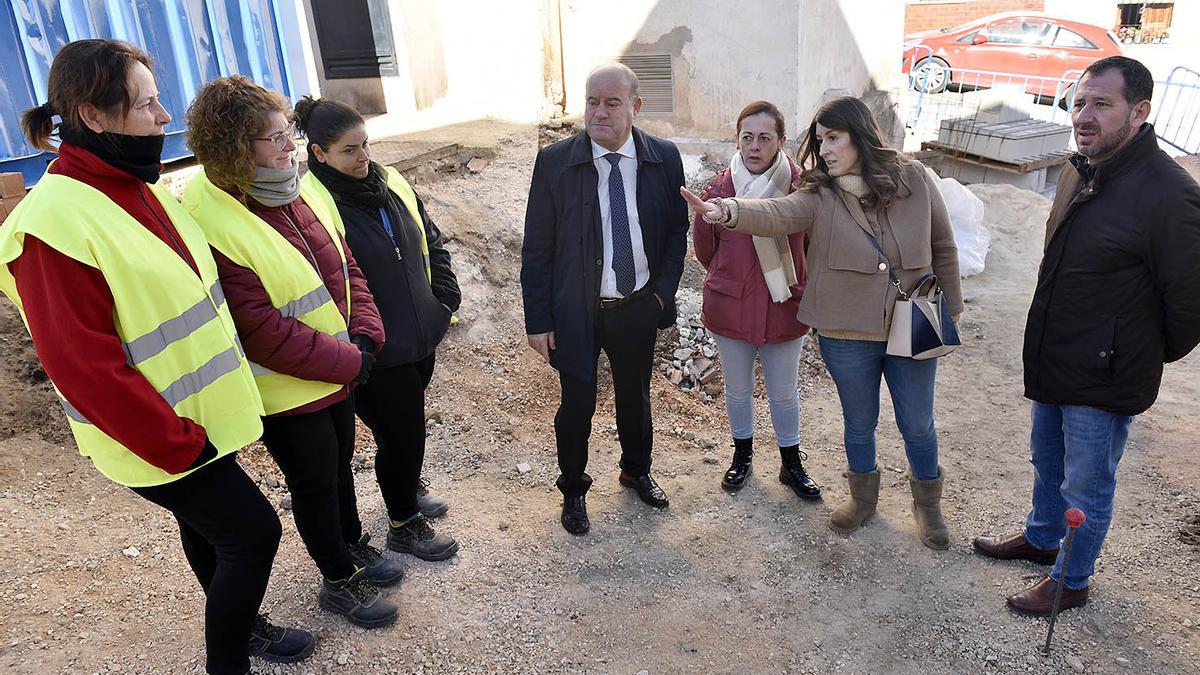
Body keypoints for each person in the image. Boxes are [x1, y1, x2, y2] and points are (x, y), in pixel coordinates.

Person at [0, 40, 313, 674]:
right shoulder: (51, 226)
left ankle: (244, 627)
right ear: (95, 116)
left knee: (214, 532)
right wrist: (175, 443)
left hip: (197, 419)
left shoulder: (138, 189)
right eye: (147, 105)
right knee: (253, 534)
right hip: (155, 437)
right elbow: (84, 369)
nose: (165, 117)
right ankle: (228, 663)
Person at [683, 96, 963, 550]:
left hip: (914, 319)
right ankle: (862, 499)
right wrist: (727, 212)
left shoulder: (914, 178)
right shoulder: (820, 192)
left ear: (860, 135)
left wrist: (951, 311)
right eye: (820, 140)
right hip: (846, 329)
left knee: (917, 422)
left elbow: (943, 246)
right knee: (859, 421)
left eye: (834, 138)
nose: (825, 149)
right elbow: (777, 213)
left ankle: (928, 506)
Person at [973, 56, 1200, 615]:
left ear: (1140, 111)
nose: (1084, 115)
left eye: (1102, 104)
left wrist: (1136, 350)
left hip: (1104, 371)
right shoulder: (1079, 171)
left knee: (1088, 484)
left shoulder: (1170, 194)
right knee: (1047, 462)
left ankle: (1072, 579)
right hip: (1056, 352)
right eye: (1079, 102)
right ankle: (1042, 536)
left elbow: (1191, 303)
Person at [183, 76, 401, 628]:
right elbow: (258, 327)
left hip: (340, 369)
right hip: (288, 388)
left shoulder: (293, 186)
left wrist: (366, 333)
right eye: (275, 138)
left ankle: (350, 544)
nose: (290, 147)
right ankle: (336, 578)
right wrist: (349, 359)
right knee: (314, 482)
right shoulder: (211, 219)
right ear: (236, 147)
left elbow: (344, 265)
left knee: (341, 471)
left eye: (288, 134)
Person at [521, 63, 689, 535]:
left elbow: (678, 230)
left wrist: (661, 295)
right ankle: (573, 489)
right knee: (577, 405)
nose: (599, 112)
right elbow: (536, 247)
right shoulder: (555, 162)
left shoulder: (663, 157)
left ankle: (637, 470)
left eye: (612, 102)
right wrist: (538, 320)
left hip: (637, 305)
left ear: (635, 107)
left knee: (635, 400)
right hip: (575, 311)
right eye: (592, 101)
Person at [294, 95, 460, 561]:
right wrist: (361, 341)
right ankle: (404, 522)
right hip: (375, 347)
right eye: (349, 150)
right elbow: (326, 278)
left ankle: (404, 484)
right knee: (403, 432)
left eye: (365, 145)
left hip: (420, 333)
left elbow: (430, 238)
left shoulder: (390, 181)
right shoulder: (313, 203)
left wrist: (443, 300)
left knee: (401, 434)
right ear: (318, 153)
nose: (363, 158)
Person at [692, 100, 819, 498]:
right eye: (747, 137)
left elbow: (812, 248)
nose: (754, 146)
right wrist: (737, 278)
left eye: (765, 138)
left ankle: (791, 463)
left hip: (785, 305)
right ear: (737, 140)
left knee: (784, 391)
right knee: (737, 388)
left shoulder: (802, 191)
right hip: (731, 304)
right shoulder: (717, 191)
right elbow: (705, 250)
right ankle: (742, 456)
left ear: (781, 141)